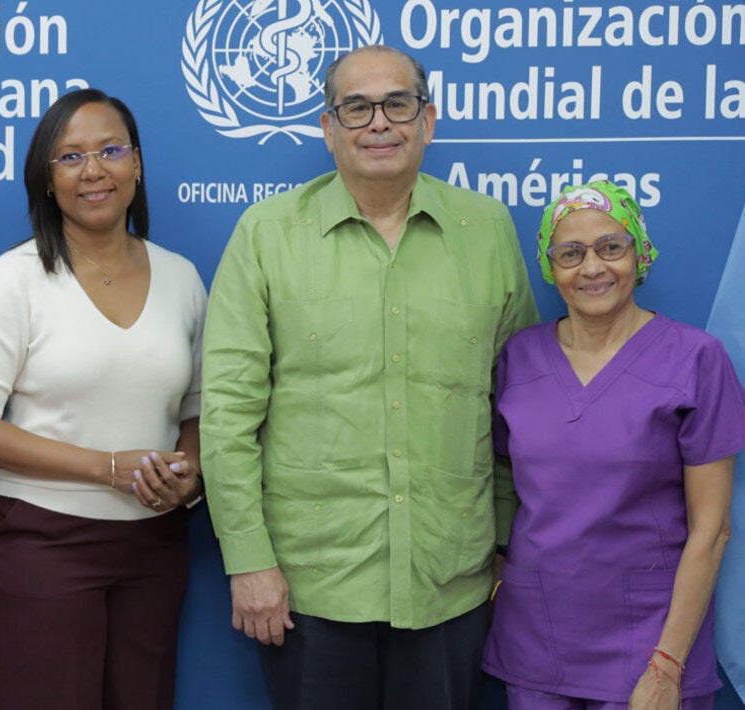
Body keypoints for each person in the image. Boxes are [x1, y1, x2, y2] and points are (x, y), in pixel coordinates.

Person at [200, 45, 540, 708]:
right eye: (356, 107)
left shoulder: (488, 230)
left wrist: (502, 538)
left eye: (397, 103)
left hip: (452, 578)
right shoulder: (266, 234)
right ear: (328, 129)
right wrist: (249, 562)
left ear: (428, 119)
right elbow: (228, 418)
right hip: (309, 587)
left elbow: (516, 404)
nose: (378, 123)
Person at [0, 88, 206, 709]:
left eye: (110, 150)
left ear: (137, 165)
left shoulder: (182, 277)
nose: (93, 170)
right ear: (46, 177)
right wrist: (106, 468)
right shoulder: (17, 278)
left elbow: (196, 411)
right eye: (70, 157)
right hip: (43, 544)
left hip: (154, 548)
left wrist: (190, 475)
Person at [483, 181, 745, 710]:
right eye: (570, 253)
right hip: (538, 640)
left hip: (649, 643)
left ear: (639, 253)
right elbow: (510, 484)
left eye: (611, 247)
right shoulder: (520, 358)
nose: (593, 267)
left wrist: (667, 666)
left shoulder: (695, 359)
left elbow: (712, 530)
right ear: (549, 267)